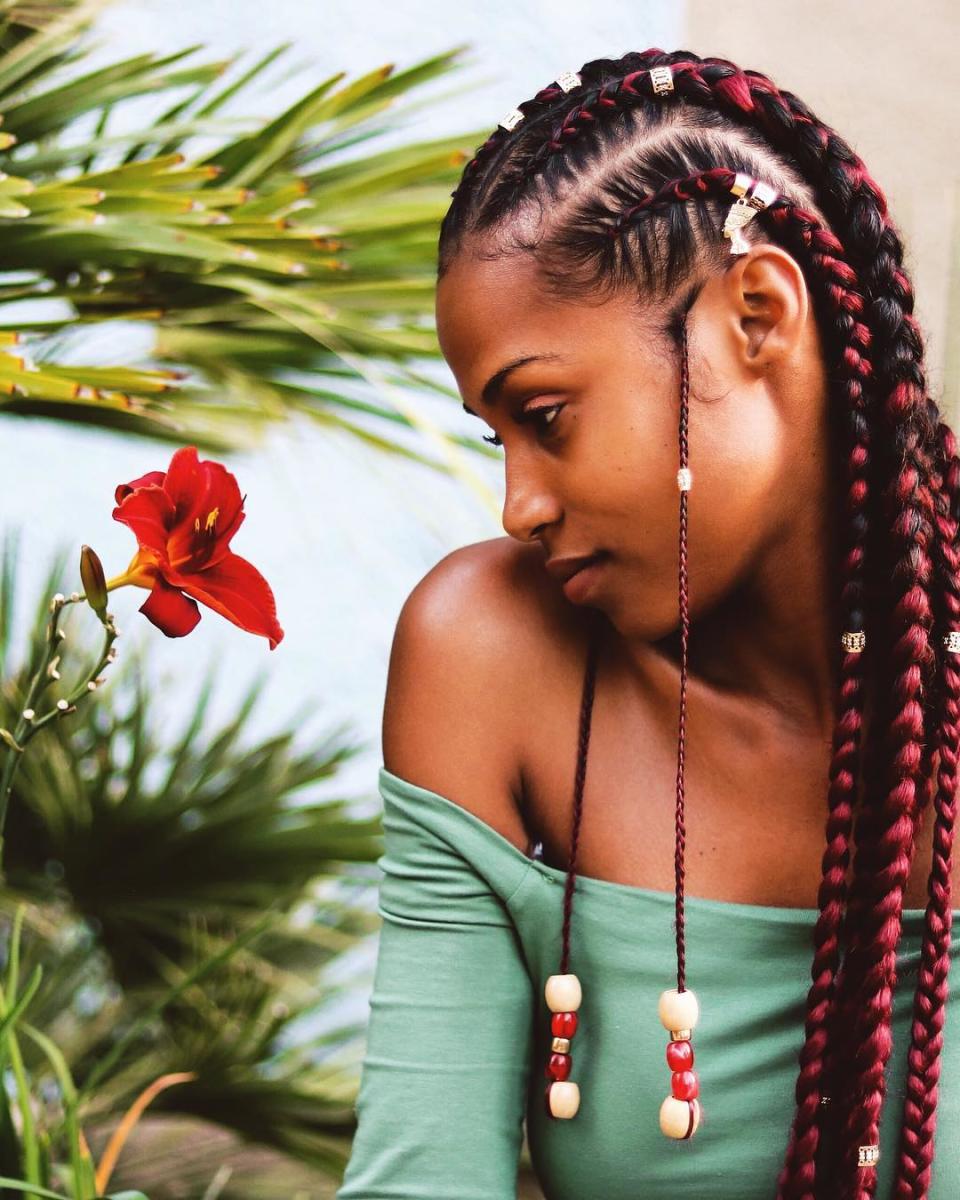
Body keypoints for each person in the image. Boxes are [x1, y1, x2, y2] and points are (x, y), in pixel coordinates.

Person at [336, 48, 960, 1199]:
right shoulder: (496, 660)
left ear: (755, 317)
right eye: (498, 439)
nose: (518, 505)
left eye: (548, 415)